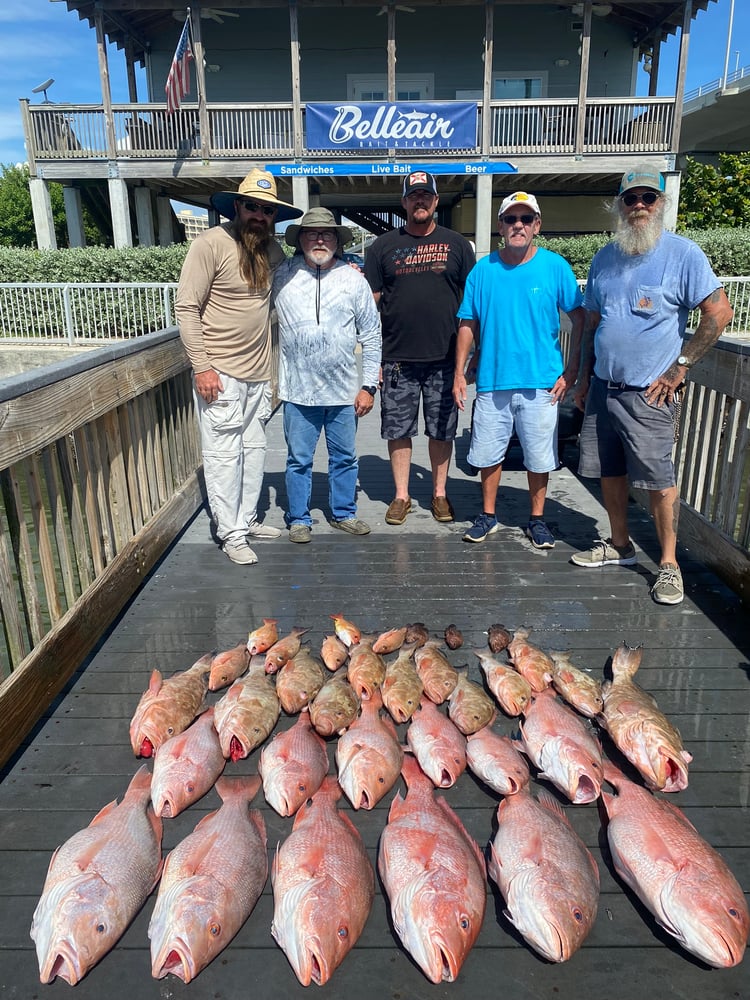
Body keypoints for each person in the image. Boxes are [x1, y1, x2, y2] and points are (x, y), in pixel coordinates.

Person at [571, 163, 733, 604]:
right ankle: (620, 545)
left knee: (660, 481)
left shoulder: (683, 254)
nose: (640, 205)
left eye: (649, 198)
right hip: (605, 387)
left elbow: (719, 313)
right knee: (610, 471)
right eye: (631, 199)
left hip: (651, 392)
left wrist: (680, 367)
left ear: (661, 203)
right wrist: (583, 380)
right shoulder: (605, 257)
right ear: (619, 206)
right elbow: (594, 323)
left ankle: (667, 564)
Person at [175, 168, 302, 565]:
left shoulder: (271, 250)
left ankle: (245, 520)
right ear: (237, 207)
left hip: (259, 374)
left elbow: (296, 278)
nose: (259, 216)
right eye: (252, 207)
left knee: (254, 447)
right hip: (221, 372)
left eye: (267, 210)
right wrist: (202, 367)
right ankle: (229, 532)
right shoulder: (208, 244)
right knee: (223, 455)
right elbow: (186, 307)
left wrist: (342, 269)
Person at [453, 192, 584, 547]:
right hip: (493, 381)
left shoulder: (555, 267)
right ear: (500, 227)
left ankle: (537, 519)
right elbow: (467, 323)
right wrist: (459, 374)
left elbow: (581, 318)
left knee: (540, 455)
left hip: (542, 382)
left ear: (537, 226)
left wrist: (571, 372)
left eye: (526, 219)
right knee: (487, 453)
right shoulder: (483, 270)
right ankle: (488, 515)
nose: (518, 225)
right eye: (511, 219)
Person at [364, 171, 475, 526]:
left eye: (426, 195)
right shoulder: (381, 247)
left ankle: (439, 493)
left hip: (445, 359)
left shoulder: (458, 245)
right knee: (398, 430)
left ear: (436, 201)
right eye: (414, 196)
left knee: (442, 430)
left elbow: (471, 306)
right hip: (397, 358)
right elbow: (372, 308)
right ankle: (401, 495)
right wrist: (373, 359)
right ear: (404, 203)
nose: (420, 201)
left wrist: (470, 359)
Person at [272, 208, 382, 543]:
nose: (320, 240)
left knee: (345, 458)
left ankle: (344, 513)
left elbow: (372, 334)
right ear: (300, 239)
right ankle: (299, 518)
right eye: (312, 233)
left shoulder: (354, 279)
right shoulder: (282, 275)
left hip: (344, 393)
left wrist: (368, 386)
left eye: (327, 234)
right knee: (299, 460)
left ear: (337, 240)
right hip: (297, 392)